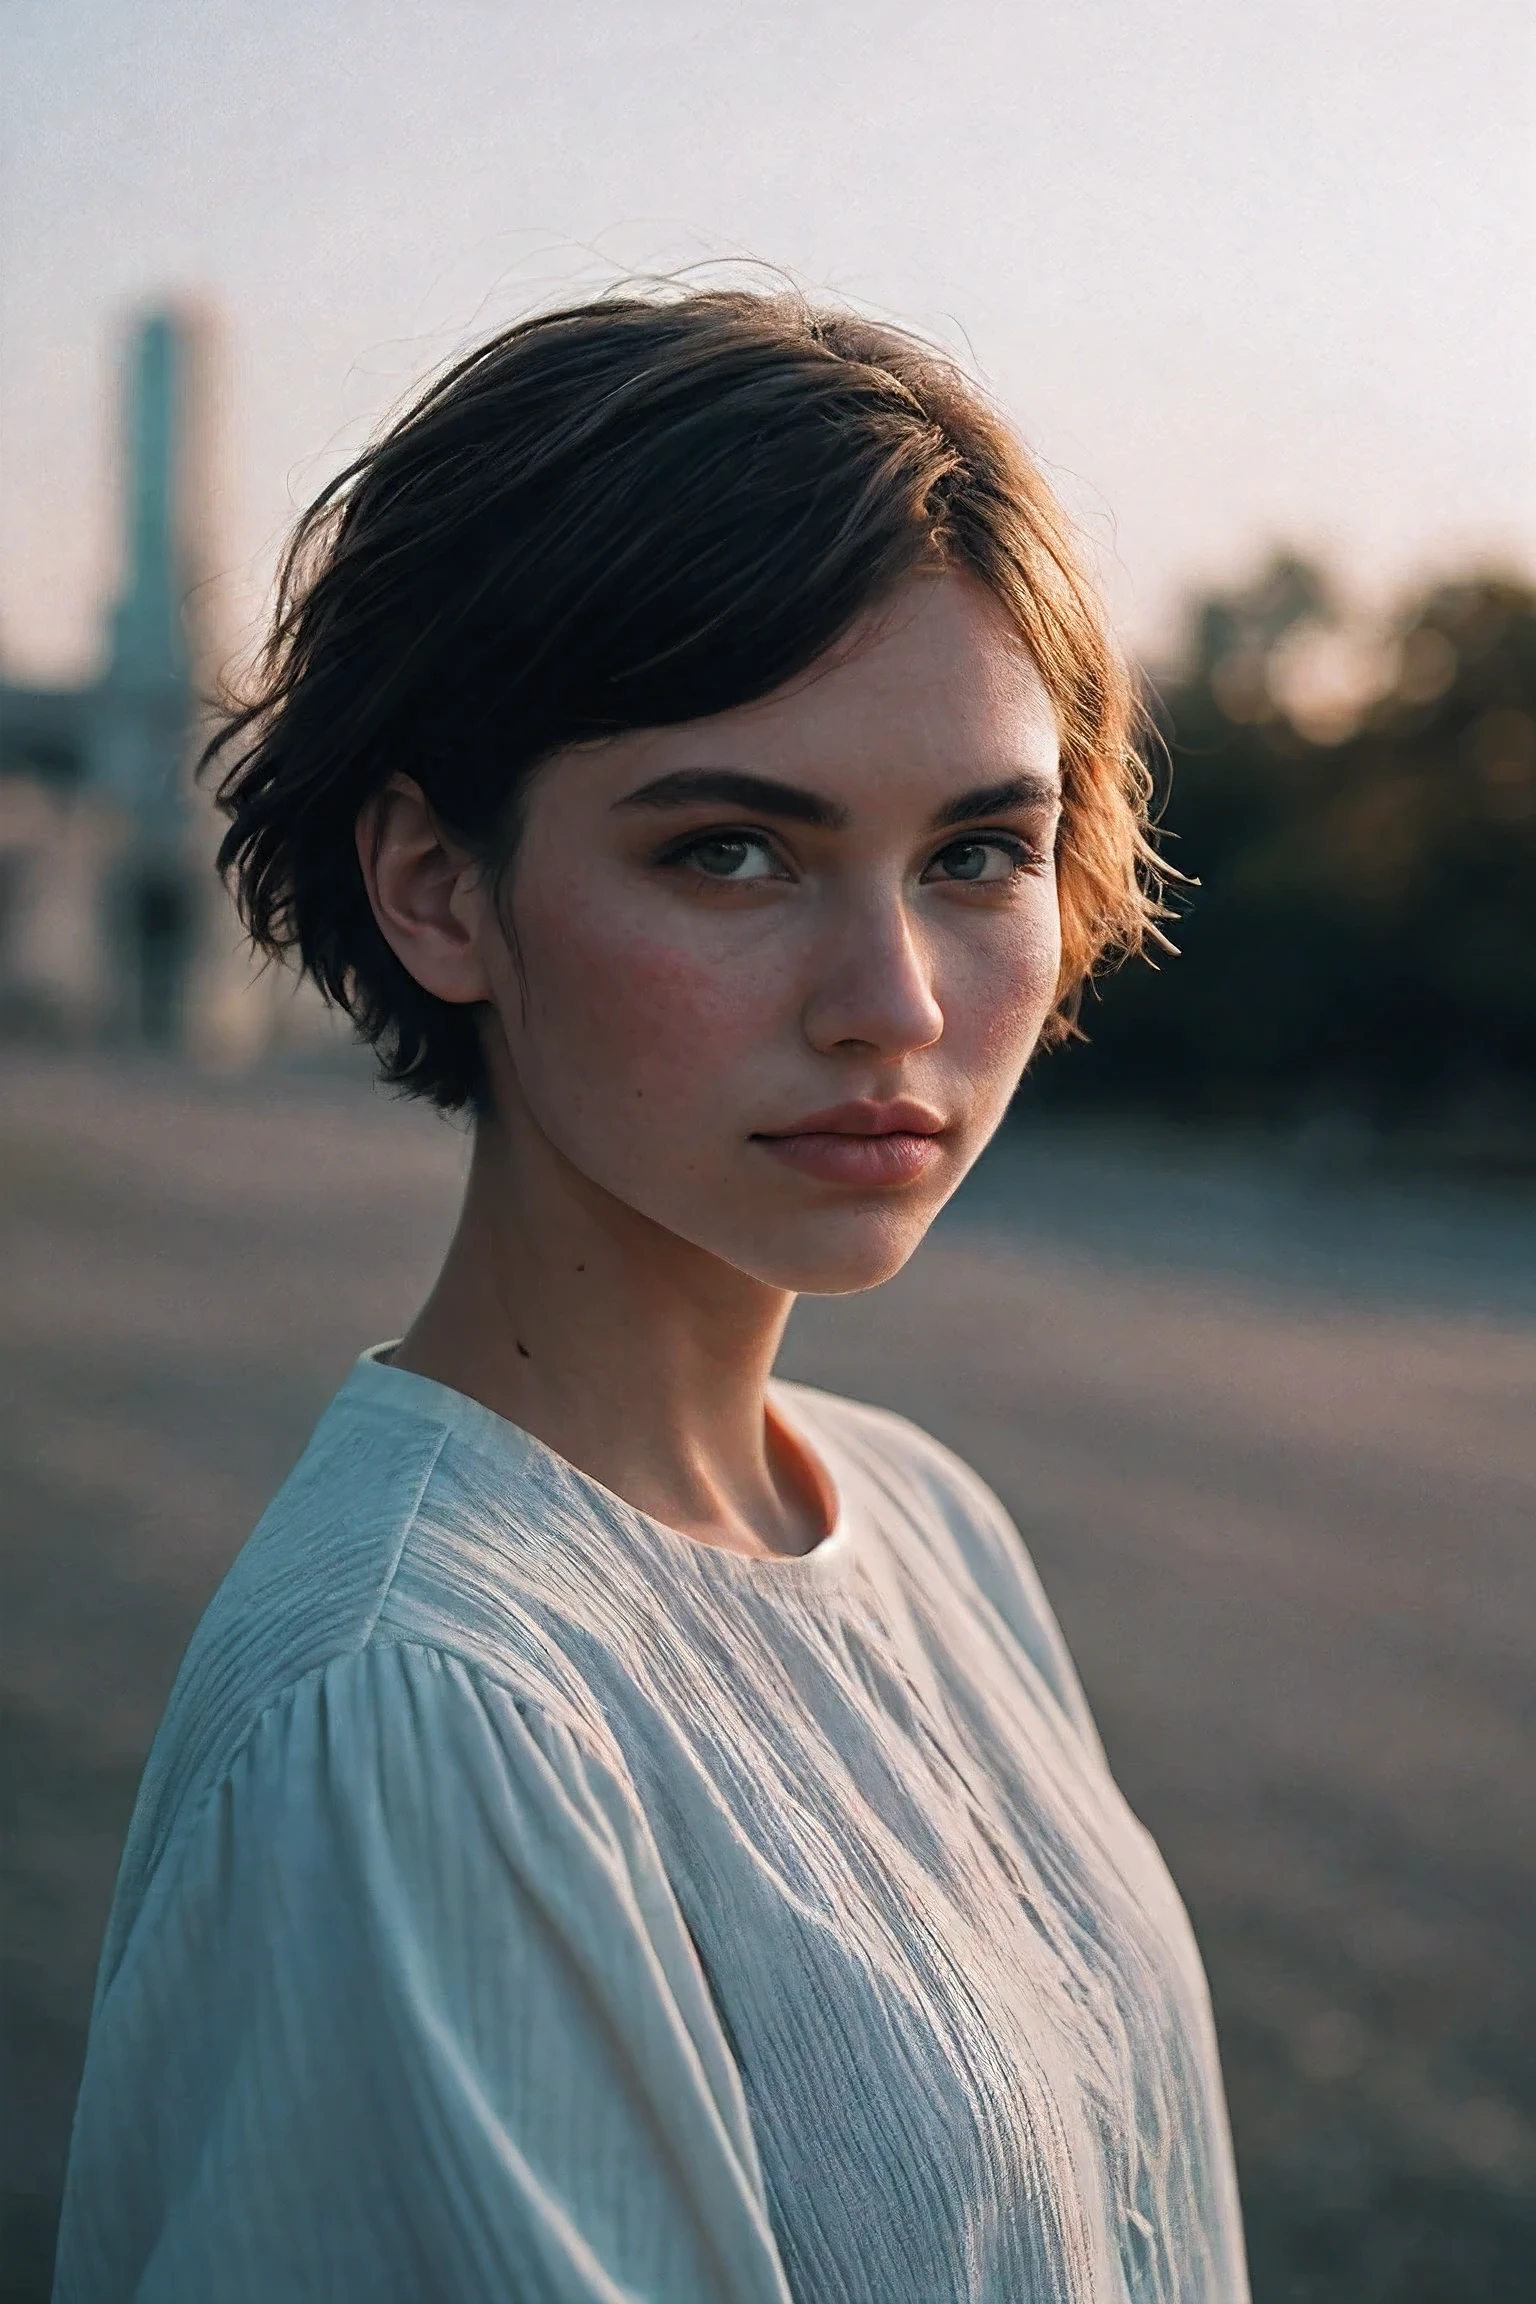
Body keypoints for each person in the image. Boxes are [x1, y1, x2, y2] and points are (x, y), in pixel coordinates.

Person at [53, 289, 1248, 2303]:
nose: (896, 1006)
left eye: (979, 852)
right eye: (731, 853)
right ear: (439, 887)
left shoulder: (925, 1524)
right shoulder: (423, 1720)